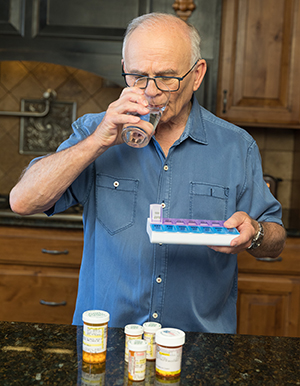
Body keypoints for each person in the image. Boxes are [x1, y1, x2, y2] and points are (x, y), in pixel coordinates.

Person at [9, 13, 286, 333]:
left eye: (167, 77)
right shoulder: (93, 131)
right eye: (138, 76)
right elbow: (22, 201)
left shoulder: (237, 146)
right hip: (108, 343)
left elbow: (276, 240)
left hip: (200, 350)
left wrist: (256, 233)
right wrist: (99, 141)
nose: (151, 91)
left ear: (197, 75)